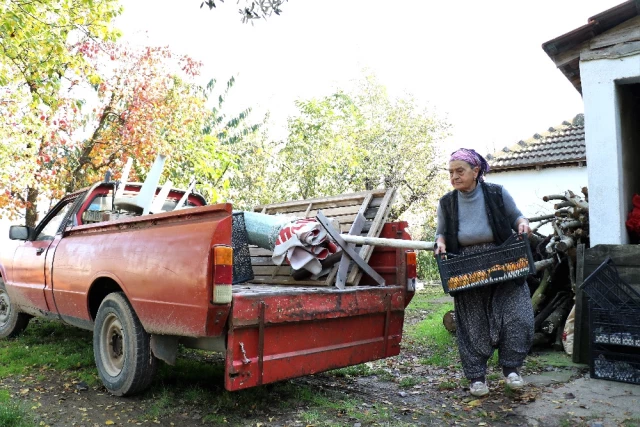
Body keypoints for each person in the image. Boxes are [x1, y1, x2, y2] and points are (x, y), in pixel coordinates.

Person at [434, 148, 534, 398]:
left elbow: (517, 217)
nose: (454, 177)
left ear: (476, 171)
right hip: (466, 265)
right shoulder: (447, 202)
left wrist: (523, 224)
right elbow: (441, 232)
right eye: (451, 172)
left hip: (503, 260)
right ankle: (477, 377)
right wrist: (441, 242)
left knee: (516, 314)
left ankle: (512, 370)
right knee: (471, 320)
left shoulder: (497, 193)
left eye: (460, 171)